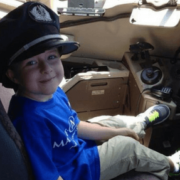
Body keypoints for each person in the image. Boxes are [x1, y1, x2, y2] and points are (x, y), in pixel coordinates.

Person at [0, 2, 179, 180]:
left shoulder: (52, 92)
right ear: (13, 75)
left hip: (77, 147)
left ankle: (139, 123)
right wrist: (119, 138)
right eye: (31, 62)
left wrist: (117, 132)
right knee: (128, 148)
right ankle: (171, 165)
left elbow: (75, 126)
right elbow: (49, 176)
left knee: (111, 122)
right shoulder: (30, 120)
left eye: (52, 57)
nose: (47, 69)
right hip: (78, 170)